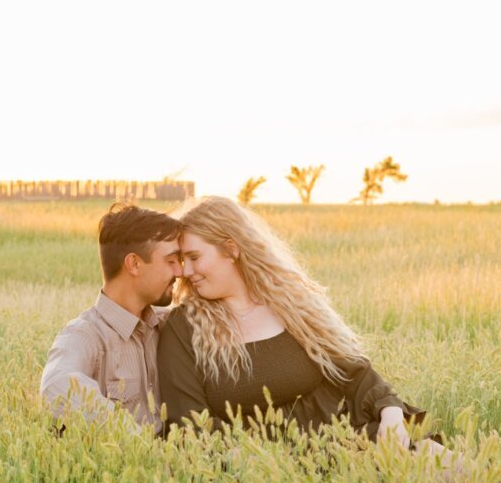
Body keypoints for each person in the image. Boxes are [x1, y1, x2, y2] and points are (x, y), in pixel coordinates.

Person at [157, 196, 447, 457]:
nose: (185, 271)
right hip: (264, 464)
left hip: (341, 441)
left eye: (194, 258)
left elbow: (355, 373)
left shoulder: (290, 303)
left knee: (441, 460)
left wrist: (393, 416)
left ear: (231, 249)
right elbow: (188, 421)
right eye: (182, 260)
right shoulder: (183, 328)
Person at [40, 203, 183, 434]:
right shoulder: (84, 335)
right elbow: (57, 386)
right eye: (171, 261)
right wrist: (139, 445)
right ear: (134, 264)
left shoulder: (169, 325)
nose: (180, 272)